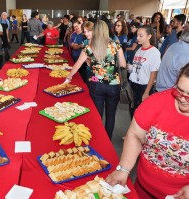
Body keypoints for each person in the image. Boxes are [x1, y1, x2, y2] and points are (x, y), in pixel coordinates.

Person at [106, 63, 189, 199]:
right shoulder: (157, 102)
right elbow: (135, 135)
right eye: (179, 91)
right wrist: (124, 169)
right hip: (143, 189)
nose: (182, 99)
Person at [66, 20, 126, 139]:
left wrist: (69, 76)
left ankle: (98, 138)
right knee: (111, 115)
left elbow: (77, 65)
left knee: (97, 114)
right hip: (114, 85)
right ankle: (107, 139)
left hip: (96, 84)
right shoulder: (115, 45)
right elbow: (123, 65)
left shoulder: (89, 47)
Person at [128, 25, 161, 117]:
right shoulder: (138, 50)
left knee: (141, 114)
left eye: (141, 36)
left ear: (149, 36)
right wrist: (130, 67)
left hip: (144, 86)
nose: (137, 38)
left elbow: (153, 73)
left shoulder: (154, 52)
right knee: (133, 111)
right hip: (134, 85)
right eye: (137, 35)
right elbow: (138, 67)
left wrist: (146, 92)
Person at [156, 27, 189, 92]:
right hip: (170, 92)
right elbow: (184, 79)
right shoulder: (186, 54)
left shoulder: (175, 45)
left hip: (162, 88)